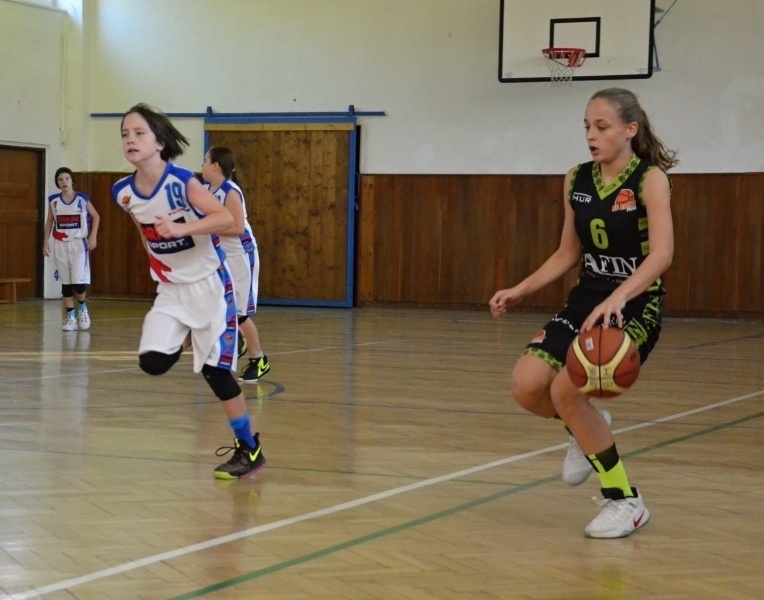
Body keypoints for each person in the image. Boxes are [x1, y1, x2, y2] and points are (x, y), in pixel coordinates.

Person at [489, 88, 677, 539]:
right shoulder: (576, 178)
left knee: (565, 391)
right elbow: (567, 253)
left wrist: (620, 296)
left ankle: (625, 500)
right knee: (525, 386)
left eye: (602, 127)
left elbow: (662, 255)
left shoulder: (650, 179)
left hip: (637, 304)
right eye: (587, 127)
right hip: (587, 298)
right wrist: (520, 289)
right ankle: (586, 427)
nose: (591, 135)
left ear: (630, 130)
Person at [111, 103, 265, 479]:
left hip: (210, 285)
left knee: (216, 372)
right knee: (152, 362)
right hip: (171, 288)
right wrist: (156, 259)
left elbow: (225, 218)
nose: (130, 139)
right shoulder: (122, 192)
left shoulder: (182, 182)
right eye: (125, 134)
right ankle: (185, 334)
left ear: (159, 143)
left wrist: (181, 229)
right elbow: (143, 228)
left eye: (139, 133)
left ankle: (250, 449)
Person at [201, 146, 271, 383]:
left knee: (239, 313)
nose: (201, 165)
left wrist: (207, 227)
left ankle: (259, 360)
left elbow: (238, 228)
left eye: (205, 161)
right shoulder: (206, 190)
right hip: (220, 255)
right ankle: (237, 341)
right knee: (215, 305)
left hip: (240, 255)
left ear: (215, 166)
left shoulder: (230, 192)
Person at [43, 167, 100, 331]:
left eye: (66, 178)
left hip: (78, 244)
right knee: (66, 284)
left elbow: (96, 216)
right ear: (57, 183)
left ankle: (82, 307)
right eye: (60, 179)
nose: (64, 182)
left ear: (72, 180)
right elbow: (49, 221)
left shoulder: (82, 198)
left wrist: (93, 236)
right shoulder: (54, 201)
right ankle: (70, 317)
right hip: (60, 244)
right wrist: (45, 241)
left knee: (78, 283)